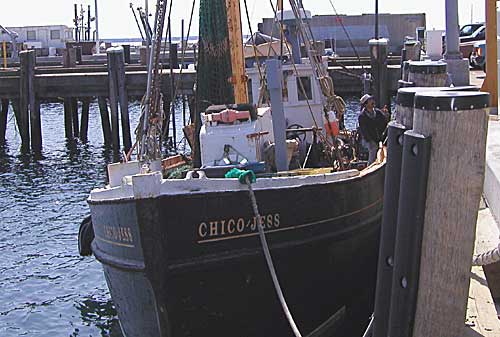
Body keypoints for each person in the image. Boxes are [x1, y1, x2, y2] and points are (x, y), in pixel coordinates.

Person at [358, 94, 389, 164]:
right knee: (373, 148)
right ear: (366, 104)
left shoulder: (377, 112)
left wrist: (386, 116)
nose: (372, 101)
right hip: (367, 140)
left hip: (378, 138)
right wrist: (370, 140)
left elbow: (385, 122)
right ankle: (370, 166)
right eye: (370, 100)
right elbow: (364, 131)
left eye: (372, 100)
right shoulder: (362, 116)